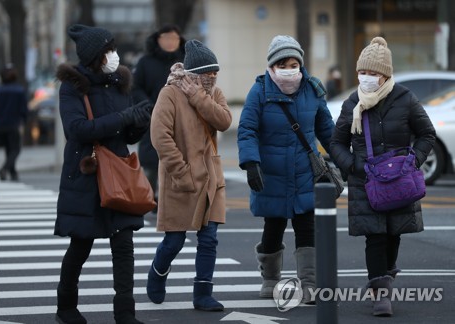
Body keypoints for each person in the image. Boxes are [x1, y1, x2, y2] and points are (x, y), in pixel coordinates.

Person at [329, 37, 435, 316]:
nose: (366, 78)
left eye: (372, 73)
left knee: (393, 234)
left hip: (400, 179)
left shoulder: (405, 99)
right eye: (362, 72)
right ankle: (381, 293)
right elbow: (336, 142)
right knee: (375, 236)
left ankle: (384, 278)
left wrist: (415, 160)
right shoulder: (353, 102)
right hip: (365, 181)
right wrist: (352, 166)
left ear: (386, 75)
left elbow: (427, 134)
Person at [54, 24, 151, 324]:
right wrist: (122, 117)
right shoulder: (73, 86)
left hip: (118, 173)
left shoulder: (120, 82)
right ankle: (66, 307)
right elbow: (77, 130)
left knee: (124, 245)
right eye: (108, 50)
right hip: (86, 174)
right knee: (81, 244)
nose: (114, 55)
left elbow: (127, 134)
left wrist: (139, 120)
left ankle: (125, 314)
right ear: (95, 56)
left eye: (113, 48)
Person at [237, 35, 335, 304]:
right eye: (283, 64)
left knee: (306, 227)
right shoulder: (259, 91)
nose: (289, 69)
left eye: (294, 64)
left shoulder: (312, 90)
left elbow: (327, 130)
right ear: (272, 66)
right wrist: (250, 162)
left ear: (300, 64)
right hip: (272, 172)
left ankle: (309, 284)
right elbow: (247, 129)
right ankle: (270, 280)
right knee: (274, 226)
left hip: (306, 172)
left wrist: (343, 157)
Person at [146, 39, 232, 311]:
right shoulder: (169, 94)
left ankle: (202, 293)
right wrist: (181, 172)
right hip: (180, 180)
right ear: (195, 73)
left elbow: (224, 121)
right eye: (208, 74)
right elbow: (160, 137)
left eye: (215, 74)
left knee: (209, 238)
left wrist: (199, 97)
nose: (213, 79)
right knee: (174, 240)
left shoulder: (212, 94)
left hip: (210, 180)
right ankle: (157, 273)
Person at [132, 24, 186, 212]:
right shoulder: (146, 62)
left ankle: (175, 197)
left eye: (174, 38)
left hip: (180, 119)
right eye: (166, 38)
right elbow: (135, 87)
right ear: (158, 39)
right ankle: (150, 196)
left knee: (179, 158)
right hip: (152, 117)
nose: (170, 42)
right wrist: (148, 105)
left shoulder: (185, 61)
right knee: (151, 160)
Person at [0, 65, 28, 181]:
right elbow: (23, 109)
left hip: (1, 123)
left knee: (8, 149)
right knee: (16, 149)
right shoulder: (19, 90)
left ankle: (13, 172)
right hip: (14, 123)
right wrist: (23, 120)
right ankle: (5, 168)